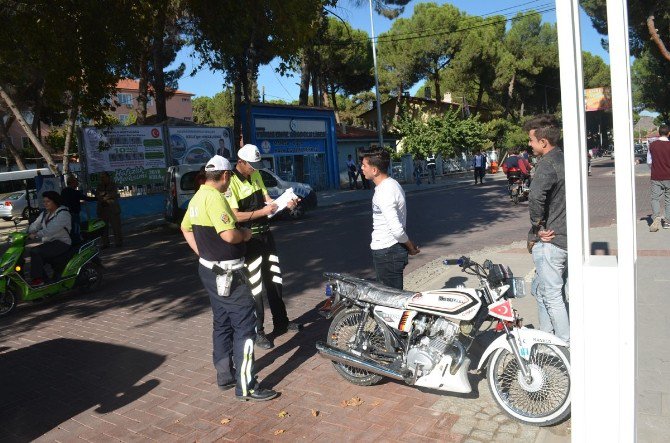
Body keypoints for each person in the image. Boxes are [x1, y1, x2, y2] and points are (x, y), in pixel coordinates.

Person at [181, 155, 277, 401]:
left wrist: (201, 253)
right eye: (228, 178)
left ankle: (225, 375)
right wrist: (244, 235)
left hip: (208, 271)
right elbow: (228, 235)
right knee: (246, 326)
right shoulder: (215, 198)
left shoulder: (197, 197)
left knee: (221, 322)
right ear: (224, 176)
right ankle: (246, 385)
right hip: (228, 273)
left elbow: (185, 228)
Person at [226, 144, 300, 350]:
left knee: (274, 279)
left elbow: (269, 202)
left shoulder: (256, 176)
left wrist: (285, 204)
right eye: (252, 165)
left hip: (266, 236)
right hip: (249, 240)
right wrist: (262, 211)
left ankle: (282, 321)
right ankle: (257, 331)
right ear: (241, 162)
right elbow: (234, 215)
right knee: (255, 287)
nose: (255, 169)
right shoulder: (231, 182)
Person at [524, 115, 569, 344]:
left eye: (531, 140)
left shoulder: (547, 163)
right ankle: (546, 336)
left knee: (551, 295)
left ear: (543, 141)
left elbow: (535, 196)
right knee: (541, 291)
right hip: (566, 237)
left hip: (553, 241)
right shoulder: (564, 158)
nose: (529, 144)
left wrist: (538, 226)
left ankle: (562, 343)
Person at [361, 149, 420, 289]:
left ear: (374, 170)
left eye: (364, 165)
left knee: (392, 303)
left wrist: (410, 247)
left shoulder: (385, 191)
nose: (362, 168)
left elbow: (397, 230)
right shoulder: (389, 185)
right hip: (388, 251)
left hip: (388, 252)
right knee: (391, 299)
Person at [27, 191, 72, 286]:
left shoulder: (63, 213)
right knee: (35, 257)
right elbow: (35, 225)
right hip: (50, 243)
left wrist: (36, 234)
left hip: (62, 242)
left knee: (35, 252)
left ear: (55, 201)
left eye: (48, 201)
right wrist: (27, 231)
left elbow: (50, 229)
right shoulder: (45, 214)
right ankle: (45, 283)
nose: (45, 203)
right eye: (44, 201)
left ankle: (38, 280)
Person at [61, 175, 95, 242]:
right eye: (76, 182)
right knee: (76, 230)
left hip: (65, 214)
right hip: (74, 214)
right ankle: (76, 243)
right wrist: (98, 198)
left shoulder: (63, 191)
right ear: (72, 182)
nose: (77, 184)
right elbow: (86, 198)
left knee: (69, 230)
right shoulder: (75, 192)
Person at [649, 124, 670, 231]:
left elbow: (649, 161)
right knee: (668, 199)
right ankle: (667, 221)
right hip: (669, 176)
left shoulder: (652, 145)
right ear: (668, 133)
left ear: (658, 133)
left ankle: (656, 217)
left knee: (655, 198)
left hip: (656, 176)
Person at [96, 172, 123, 248]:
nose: (102, 179)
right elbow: (97, 195)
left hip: (112, 209)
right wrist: (104, 195)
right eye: (101, 178)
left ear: (108, 177)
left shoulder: (113, 184)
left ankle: (118, 242)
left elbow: (114, 194)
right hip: (102, 209)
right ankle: (105, 243)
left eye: (104, 177)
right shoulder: (99, 185)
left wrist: (103, 196)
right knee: (103, 227)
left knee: (116, 227)